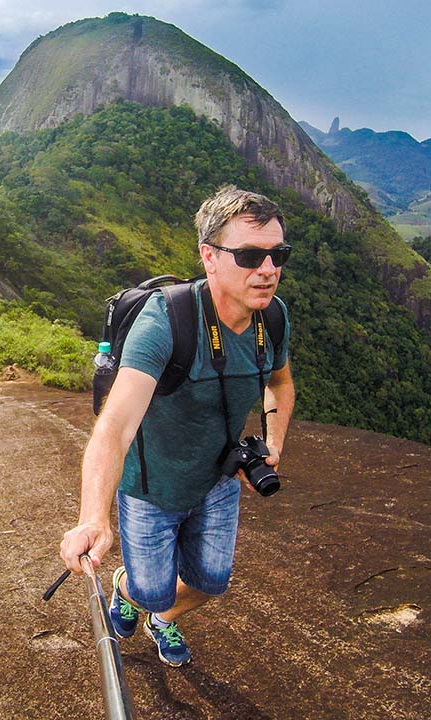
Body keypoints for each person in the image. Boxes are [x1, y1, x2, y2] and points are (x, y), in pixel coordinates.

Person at [59, 185, 295, 667]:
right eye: (250, 255)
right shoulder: (166, 320)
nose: (268, 270)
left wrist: (273, 443)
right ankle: (130, 591)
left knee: (211, 581)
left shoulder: (272, 316)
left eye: (278, 254)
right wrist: (92, 517)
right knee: (149, 586)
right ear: (209, 256)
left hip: (218, 478)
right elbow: (115, 425)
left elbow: (281, 382)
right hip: (151, 487)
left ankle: (163, 618)